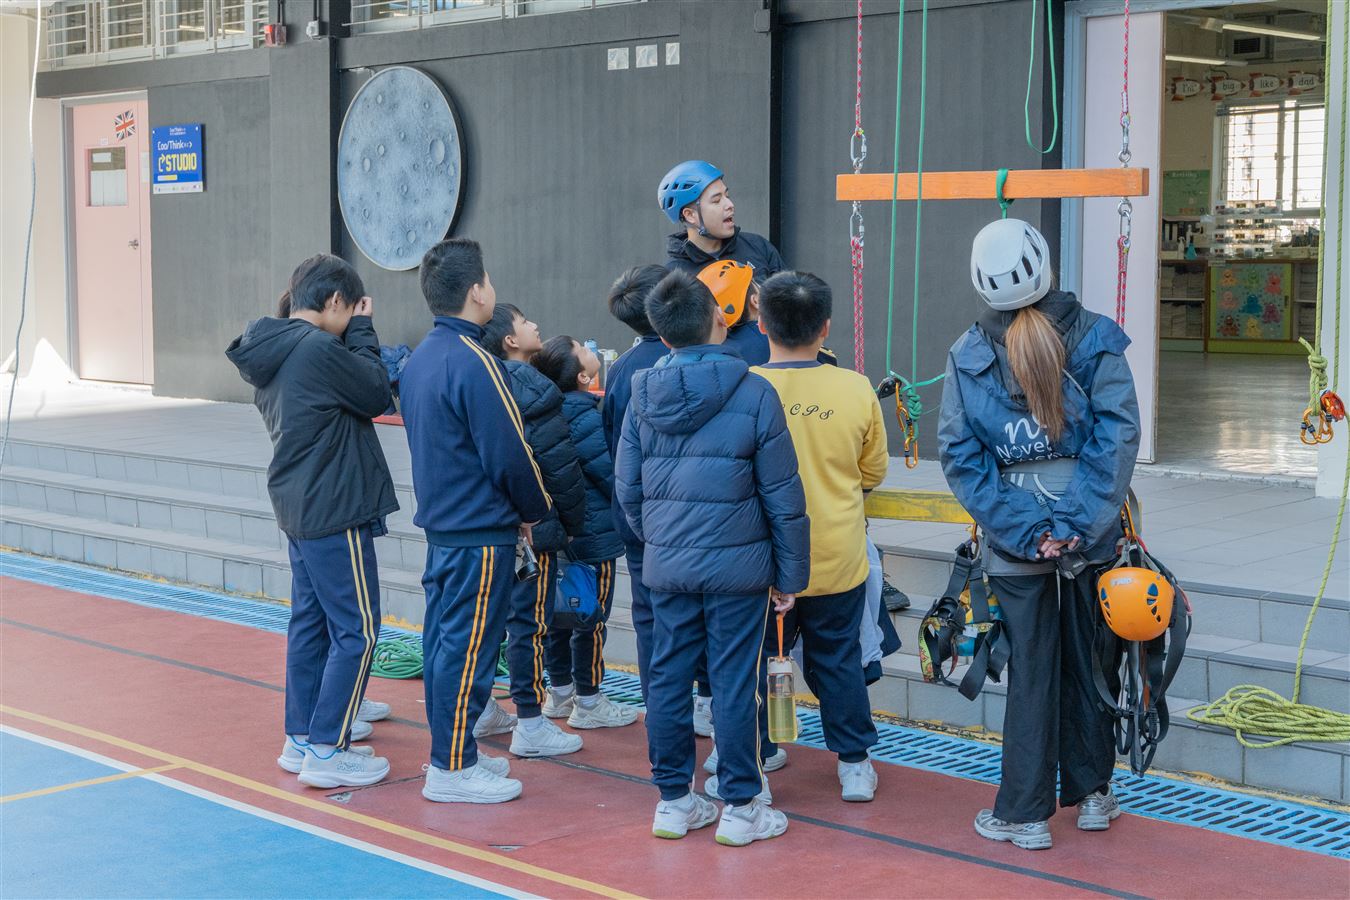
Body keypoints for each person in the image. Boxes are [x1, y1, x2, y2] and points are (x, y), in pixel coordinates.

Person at [937, 218, 1139, 850]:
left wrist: (1030, 529)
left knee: (1029, 670)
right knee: (1091, 659)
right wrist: (1075, 524)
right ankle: (1094, 794)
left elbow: (961, 457)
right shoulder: (1096, 338)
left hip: (1014, 539)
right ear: (1046, 265)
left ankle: (1024, 815)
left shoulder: (968, 354)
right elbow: (1116, 436)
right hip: (1092, 536)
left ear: (980, 284)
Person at [616, 269, 809, 847]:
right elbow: (782, 495)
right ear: (721, 321)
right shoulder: (755, 392)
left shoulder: (640, 394)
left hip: (668, 567)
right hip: (739, 570)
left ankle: (673, 802)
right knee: (733, 681)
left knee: (667, 678)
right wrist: (789, 574)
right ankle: (741, 805)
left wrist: (660, 539)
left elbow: (628, 488)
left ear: (663, 335)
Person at [226, 253, 397, 789]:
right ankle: (327, 749)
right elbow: (375, 392)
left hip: (300, 503)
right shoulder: (318, 348)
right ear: (335, 301)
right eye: (352, 309)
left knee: (311, 623)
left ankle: (301, 737)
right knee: (358, 630)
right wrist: (363, 332)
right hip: (334, 505)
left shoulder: (272, 348)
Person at [400, 238, 553, 804]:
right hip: (479, 531)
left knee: (446, 644)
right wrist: (535, 512)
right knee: (468, 650)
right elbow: (509, 453)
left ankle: (454, 749)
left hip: (445, 526)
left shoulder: (421, 358)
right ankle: (452, 767)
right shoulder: (475, 361)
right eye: (486, 280)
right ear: (476, 292)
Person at [750, 271, 887, 804]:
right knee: (837, 659)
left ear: (762, 324)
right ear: (826, 327)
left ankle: (757, 757)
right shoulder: (855, 387)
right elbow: (872, 472)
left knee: (757, 661)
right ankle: (854, 763)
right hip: (836, 554)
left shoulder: (745, 386)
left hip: (761, 560)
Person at [602, 265, 714, 734]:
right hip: (704, 517)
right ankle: (709, 702)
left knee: (651, 619)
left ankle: (662, 712)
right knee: (710, 614)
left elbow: (617, 452)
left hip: (644, 520)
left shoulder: (623, 370)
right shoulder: (715, 365)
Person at [479, 304, 588, 757]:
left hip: (483, 525)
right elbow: (559, 468)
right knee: (529, 625)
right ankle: (530, 720)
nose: (535, 325)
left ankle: (482, 707)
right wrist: (571, 525)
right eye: (525, 323)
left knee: (489, 622)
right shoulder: (533, 388)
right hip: (532, 527)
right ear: (510, 340)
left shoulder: (477, 380)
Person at [532, 336, 638, 730]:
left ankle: (559, 692)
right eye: (584, 349)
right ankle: (589, 701)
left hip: (559, 534)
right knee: (591, 618)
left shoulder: (545, 412)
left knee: (558, 614)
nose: (592, 351)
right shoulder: (585, 416)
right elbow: (610, 476)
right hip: (594, 536)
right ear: (581, 376)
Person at [659, 160, 784, 279]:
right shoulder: (674, 277)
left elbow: (788, 293)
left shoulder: (758, 247)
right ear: (690, 215)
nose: (730, 205)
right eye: (716, 200)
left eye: (727, 196)